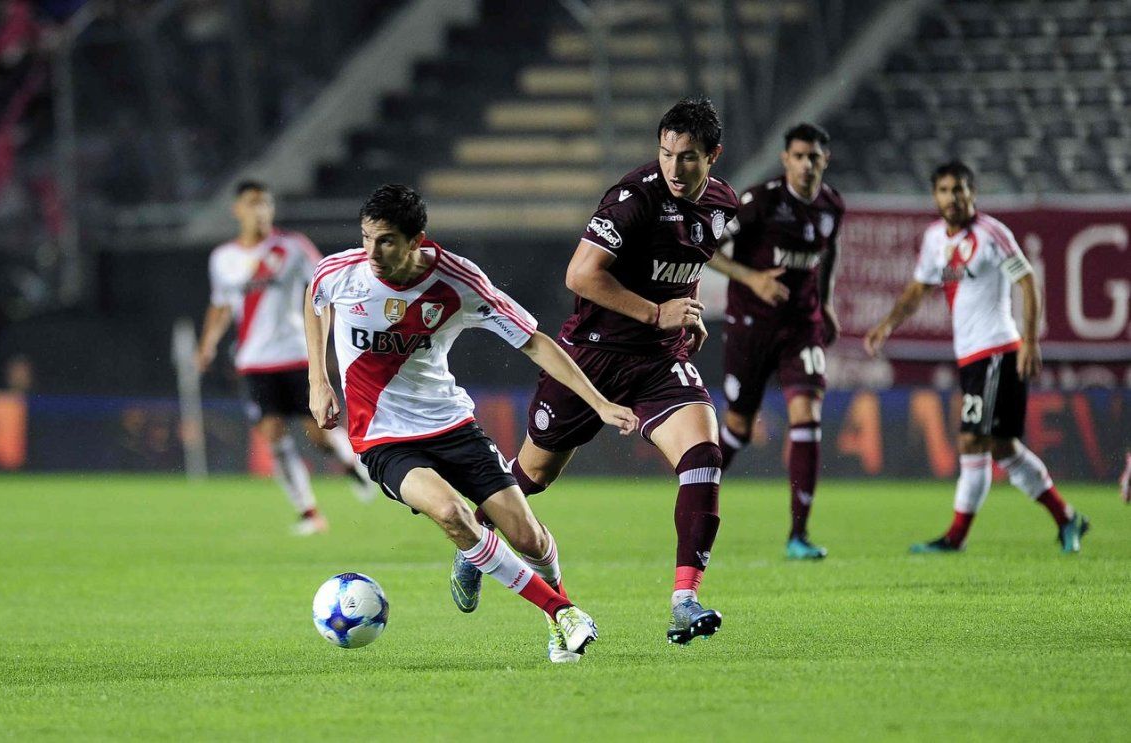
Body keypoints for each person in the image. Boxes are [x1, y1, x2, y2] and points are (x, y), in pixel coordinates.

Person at [305, 184, 638, 662]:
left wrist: (599, 403)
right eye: (366, 238)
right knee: (451, 514)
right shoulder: (341, 272)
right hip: (382, 436)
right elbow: (315, 298)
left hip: (451, 425)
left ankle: (554, 615)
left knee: (528, 537)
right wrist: (318, 379)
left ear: (416, 240)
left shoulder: (459, 282)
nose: (372, 252)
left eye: (386, 241)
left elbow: (534, 342)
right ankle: (562, 613)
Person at [450, 97, 739, 645]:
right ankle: (478, 536)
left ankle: (684, 601)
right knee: (533, 477)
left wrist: (689, 312)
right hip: (591, 358)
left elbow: (688, 263)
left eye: (688, 157)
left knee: (704, 459)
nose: (675, 167)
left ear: (713, 157)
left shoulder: (723, 205)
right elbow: (580, 276)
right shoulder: (632, 199)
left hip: (660, 360)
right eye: (667, 153)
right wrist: (656, 312)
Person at [864, 161, 1089, 553]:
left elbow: (1027, 280)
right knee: (1003, 448)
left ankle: (955, 538)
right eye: (945, 190)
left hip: (997, 350)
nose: (953, 197)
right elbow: (918, 290)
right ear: (935, 196)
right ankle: (1067, 518)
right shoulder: (935, 238)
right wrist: (887, 324)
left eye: (960, 189)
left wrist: (1030, 340)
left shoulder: (992, 233)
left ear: (973, 193)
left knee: (972, 441)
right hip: (970, 356)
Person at [197, 180, 374, 536]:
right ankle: (309, 512)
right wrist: (208, 344)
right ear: (237, 210)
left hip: (296, 354)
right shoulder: (223, 258)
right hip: (253, 361)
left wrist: (334, 339)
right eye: (253, 203)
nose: (260, 210)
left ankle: (352, 465)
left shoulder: (293, 247)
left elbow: (326, 288)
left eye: (266, 203)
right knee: (272, 433)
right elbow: (221, 305)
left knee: (319, 434)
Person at [705, 122, 844, 560]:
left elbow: (829, 252)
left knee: (807, 413)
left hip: (801, 326)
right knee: (738, 428)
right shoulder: (759, 202)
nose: (806, 165)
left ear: (825, 160)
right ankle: (697, 496)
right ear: (786, 159)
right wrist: (753, 279)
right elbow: (707, 248)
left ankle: (799, 535)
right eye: (798, 156)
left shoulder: (832, 206)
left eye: (814, 157)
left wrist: (826, 303)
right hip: (752, 325)